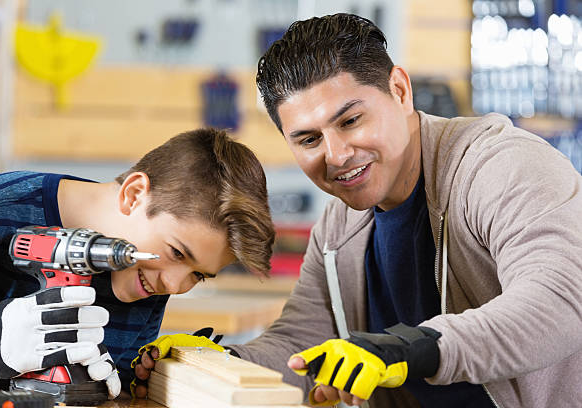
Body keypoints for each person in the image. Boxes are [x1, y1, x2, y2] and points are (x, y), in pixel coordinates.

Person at [131, 13, 582, 408]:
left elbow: (558, 301)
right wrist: (220, 362)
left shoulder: (502, 166)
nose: (337, 154)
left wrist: (410, 348)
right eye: (308, 139)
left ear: (400, 91)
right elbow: (301, 345)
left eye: (350, 120)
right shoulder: (339, 226)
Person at [0, 128, 275, 399]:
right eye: (177, 253)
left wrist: (148, 377)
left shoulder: (146, 280)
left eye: (197, 275)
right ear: (134, 195)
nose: (174, 285)